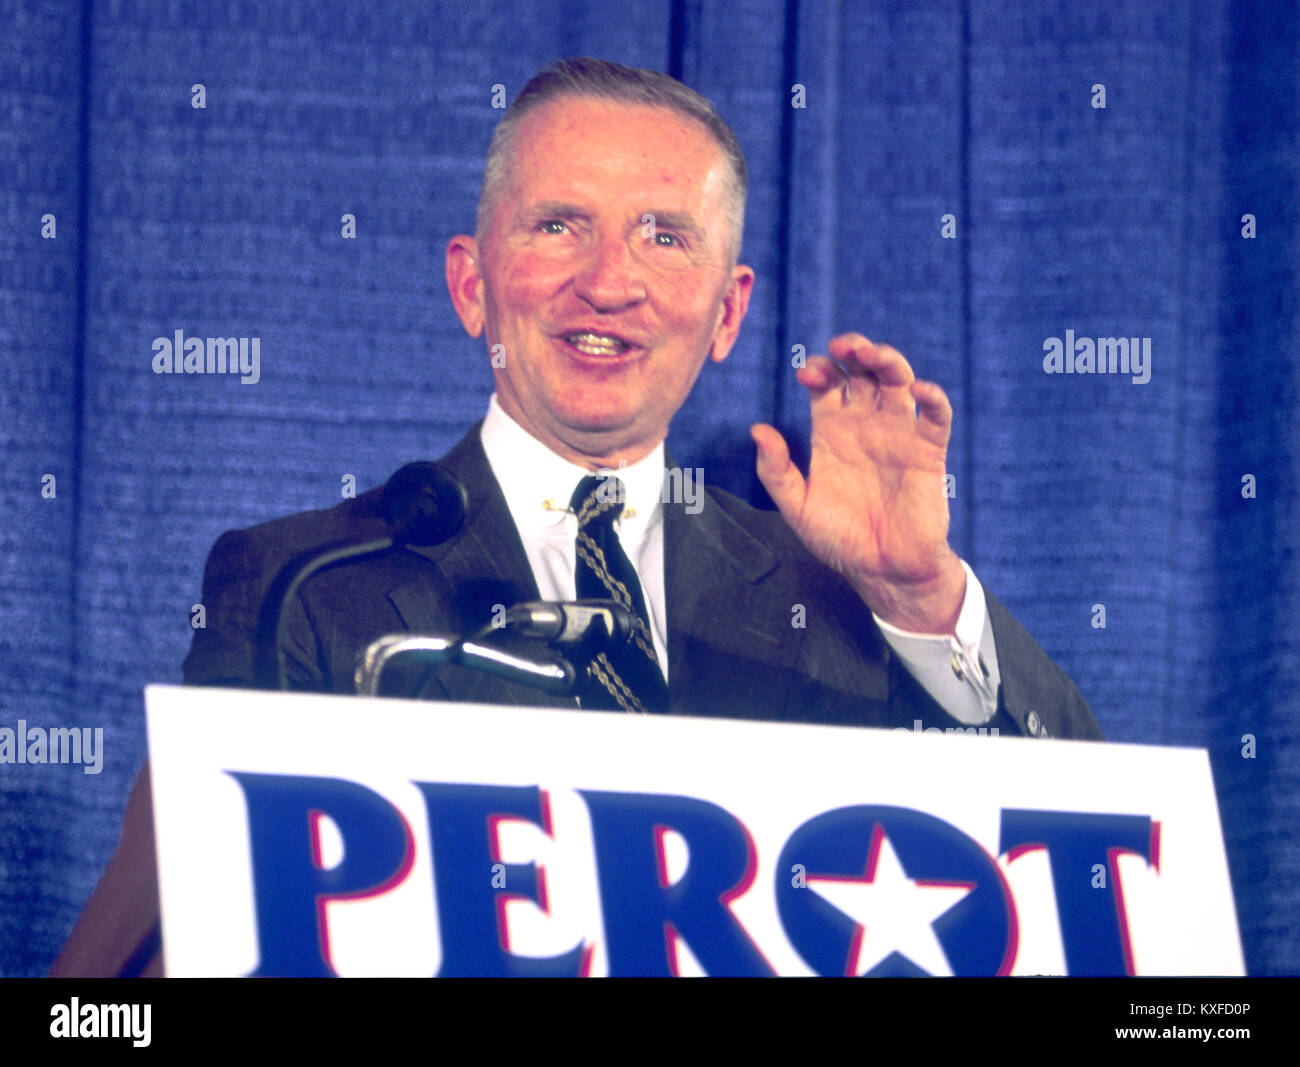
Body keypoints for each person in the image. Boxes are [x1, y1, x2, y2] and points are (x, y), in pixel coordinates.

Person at [52, 57, 1099, 978]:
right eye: (559, 226)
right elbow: (198, 931)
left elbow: (1090, 865)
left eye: (662, 236)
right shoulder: (302, 585)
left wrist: (920, 595)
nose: (610, 282)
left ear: (728, 311)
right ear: (471, 284)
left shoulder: (841, 599)